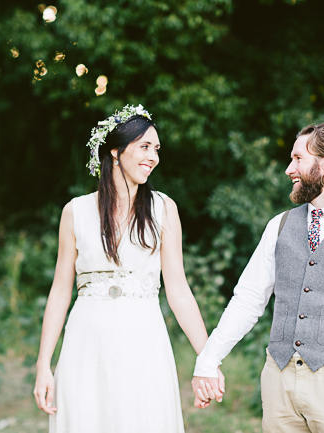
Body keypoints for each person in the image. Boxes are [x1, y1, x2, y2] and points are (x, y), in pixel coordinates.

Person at [191, 122, 324, 433]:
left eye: (298, 159)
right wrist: (208, 360)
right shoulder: (277, 226)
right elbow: (249, 299)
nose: (288, 169)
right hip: (278, 380)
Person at [33, 105, 222, 433]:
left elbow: (177, 290)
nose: (154, 157)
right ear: (116, 152)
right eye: (145, 147)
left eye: (157, 149)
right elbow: (61, 290)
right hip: (86, 342)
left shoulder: (164, 208)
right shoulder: (75, 211)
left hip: (143, 338)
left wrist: (208, 358)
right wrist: (43, 364)